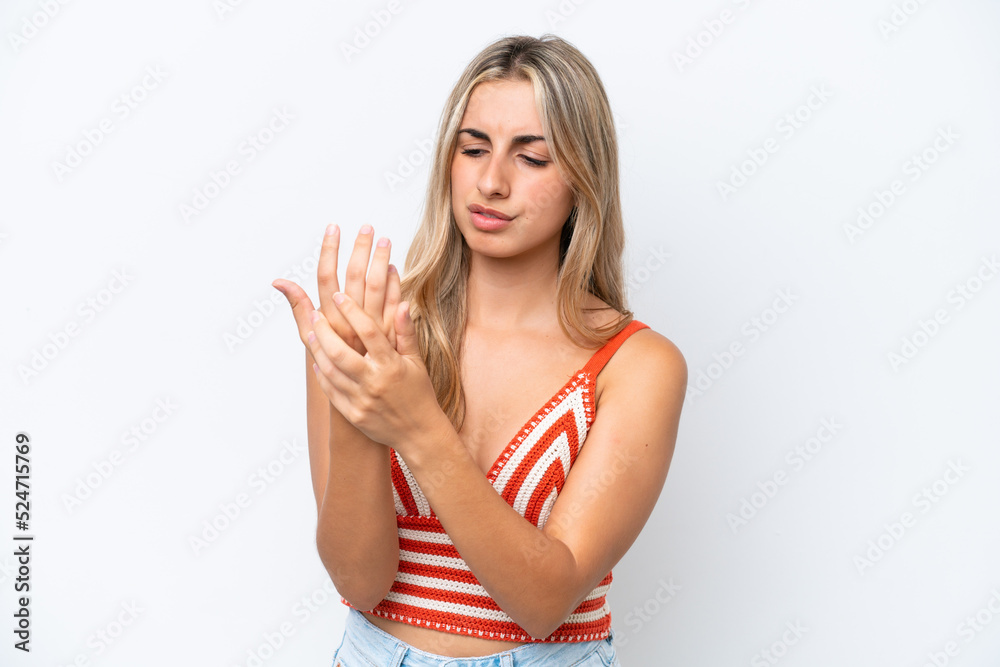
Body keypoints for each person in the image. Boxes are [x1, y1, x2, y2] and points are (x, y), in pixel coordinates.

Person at [272, 33, 686, 667]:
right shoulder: (369, 333)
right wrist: (358, 402)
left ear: (583, 177)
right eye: (473, 149)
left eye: (533, 158)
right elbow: (360, 582)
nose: (491, 182)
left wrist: (416, 425)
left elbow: (543, 601)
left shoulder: (637, 365)